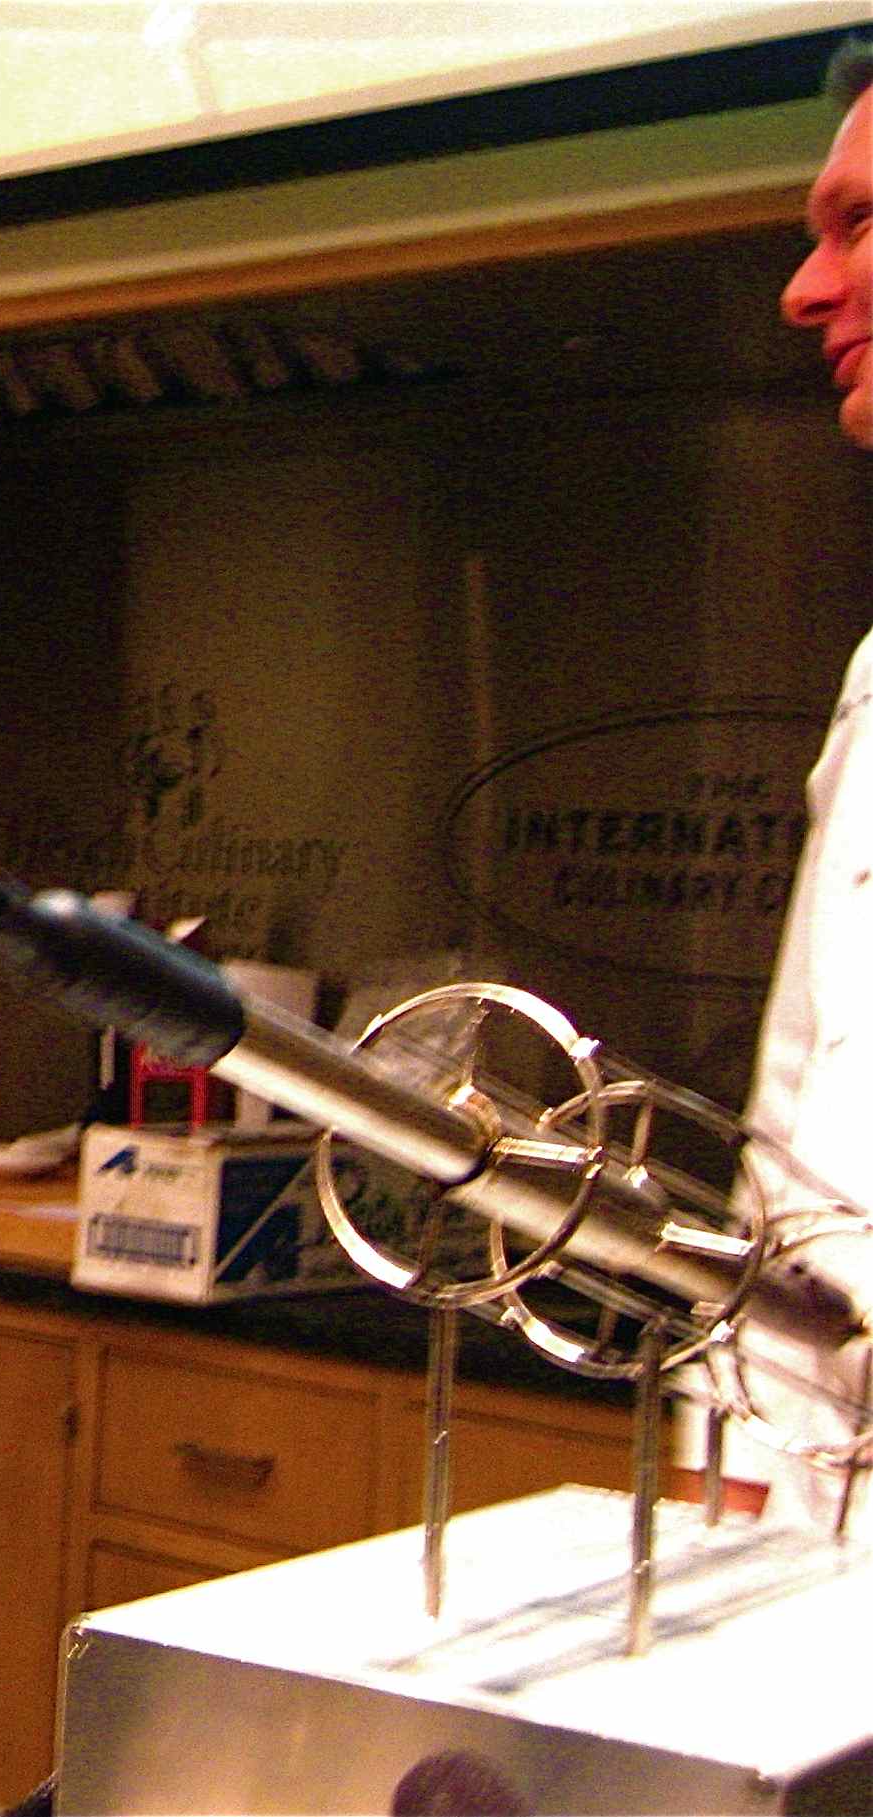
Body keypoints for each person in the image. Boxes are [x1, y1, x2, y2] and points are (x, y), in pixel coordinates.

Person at [735, 33, 873, 1541]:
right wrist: (740, 1471)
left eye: (861, 224)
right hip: (822, 1541)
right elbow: (796, 1132)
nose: (802, 288)